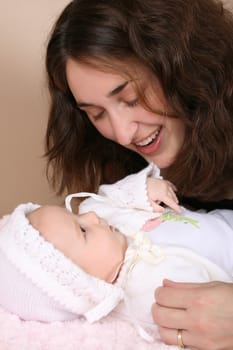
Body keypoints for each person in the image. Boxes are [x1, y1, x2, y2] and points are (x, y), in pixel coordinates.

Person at [44, 0, 233, 348]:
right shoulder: (126, 182)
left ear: (181, 65)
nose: (122, 132)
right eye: (96, 113)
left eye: (129, 97)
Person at [0, 164, 232, 347]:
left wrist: (143, 190)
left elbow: (112, 195)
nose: (90, 216)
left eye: (73, 214)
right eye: (82, 230)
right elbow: (206, 317)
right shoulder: (144, 295)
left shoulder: (101, 213)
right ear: (84, 284)